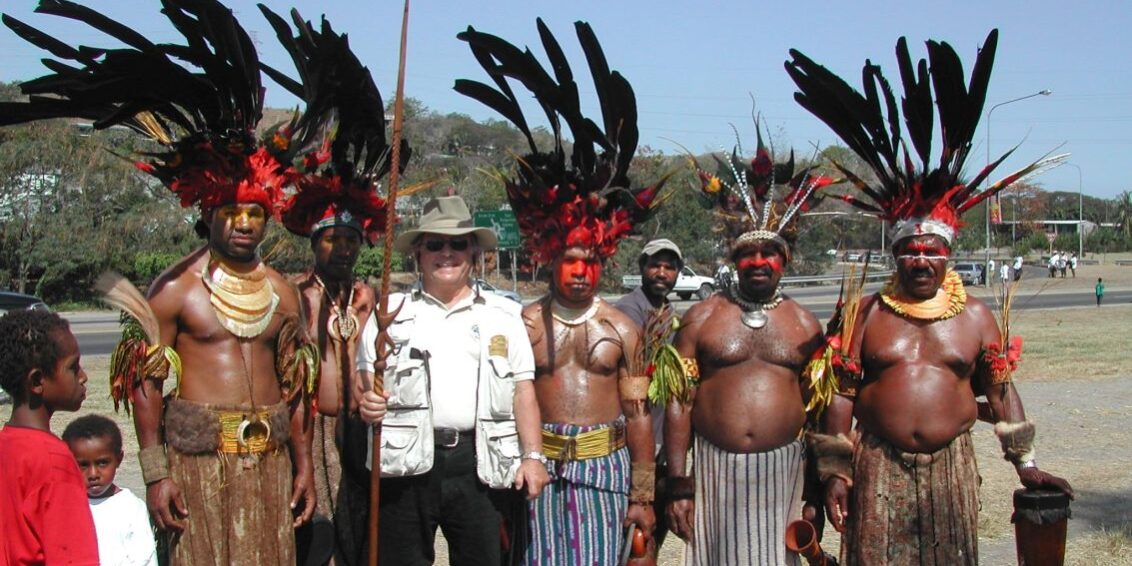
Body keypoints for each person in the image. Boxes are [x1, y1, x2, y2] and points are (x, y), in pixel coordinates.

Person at [3, 4, 323, 563]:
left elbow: (296, 389)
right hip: (198, 470)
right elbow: (146, 387)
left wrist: (302, 466)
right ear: (207, 211)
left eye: (255, 212)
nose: (244, 223)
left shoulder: (284, 291)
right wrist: (156, 475)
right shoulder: (174, 289)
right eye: (231, 210)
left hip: (269, 466)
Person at [789, 29, 1074, 565]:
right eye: (910, 251)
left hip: (949, 471)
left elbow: (1001, 390)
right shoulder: (865, 315)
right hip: (877, 468)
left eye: (931, 252)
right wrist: (834, 474)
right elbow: (842, 401)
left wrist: (1027, 461)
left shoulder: (976, 317)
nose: (921, 260)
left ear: (947, 256)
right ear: (895, 255)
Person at [456, 20, 668, 565]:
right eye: (570, 262)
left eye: (589, 262)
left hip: (606, 468)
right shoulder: (519, 322)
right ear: (549, 259)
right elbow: (494, 398)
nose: (580, 272)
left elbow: (639, 412)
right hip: (535, 466)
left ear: (602, 263)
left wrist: (643, 494)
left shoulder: (624, 327)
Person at [268, 12, 404, 561]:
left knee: (363, 544)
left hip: (363, 433)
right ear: (313, 243)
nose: (342, 249)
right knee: (315, 540)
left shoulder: (373, 297)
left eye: (351, 240)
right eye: (332, 241)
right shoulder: (293, 295)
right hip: (312, 430)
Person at [357, 195, 549, 566]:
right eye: (435, 244)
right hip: (405, 465)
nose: (447, 253)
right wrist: (367, 400)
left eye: (458, 243)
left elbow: (524, 392)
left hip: (479, 465)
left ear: (474, 252)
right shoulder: (388, 313)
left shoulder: (504, 314)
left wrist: (534, 457)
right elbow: (364, 377)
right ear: (418, 253)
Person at [668, 136, 830, 566]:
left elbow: (819, 412)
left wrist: (814, 491)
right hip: (714, 473)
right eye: (748, 254)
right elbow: (678, 404)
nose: (759, 262)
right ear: (733, 260)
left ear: (786, 259)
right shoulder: (701, 318)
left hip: (783, 475)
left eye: (769, 254)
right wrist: (679, 485)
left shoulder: (805, 325)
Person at [0, 309, 98, 565]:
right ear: (37, 381)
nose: (83, 376)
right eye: (73, 367)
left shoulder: (7, 446)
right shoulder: (55, 462)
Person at [614, 238, 684, 559]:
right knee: (636, 535)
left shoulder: (667, 311)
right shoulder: (630, 310)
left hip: (661, 440)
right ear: (642, 267)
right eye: (655, 264)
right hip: (638, 443)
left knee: (654, 528)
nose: (661, 272)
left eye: (669, 267)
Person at [63, 414, 158, 566]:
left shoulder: (131, 507)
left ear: (119, 459)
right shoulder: (64, 506)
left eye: (102, 463)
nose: (93, 474)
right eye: (83, 465)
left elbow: (144, 558)